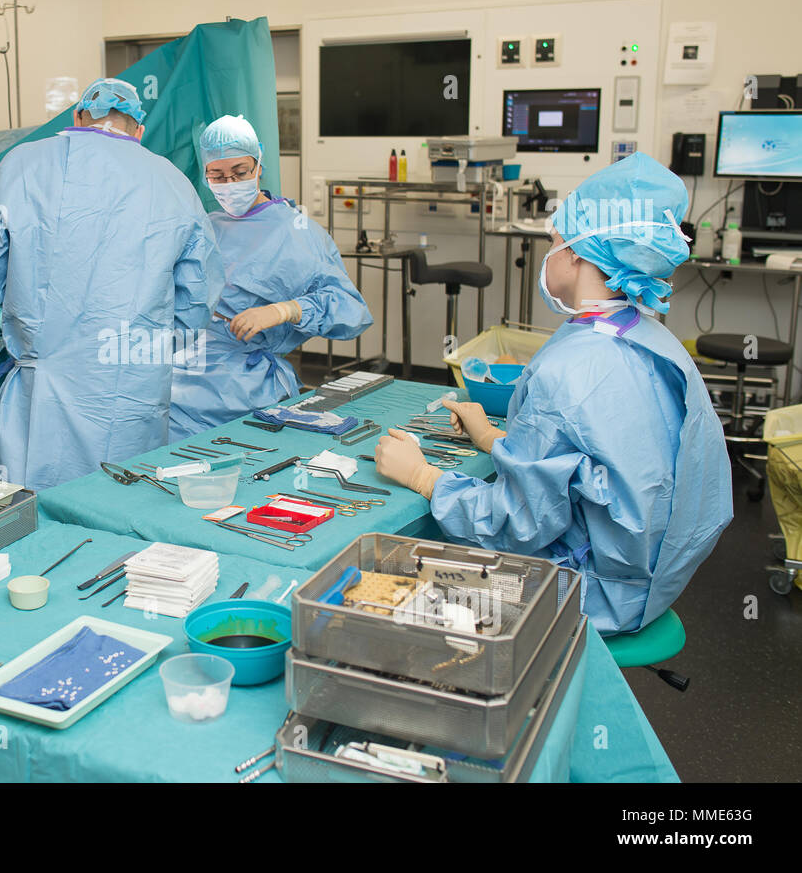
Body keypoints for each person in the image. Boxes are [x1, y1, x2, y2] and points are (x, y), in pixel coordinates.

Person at [373, 152, 732, 635]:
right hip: (656, 577)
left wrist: (422, 476)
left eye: (555, 241)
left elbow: (515, 526)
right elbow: (595, 463)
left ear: (582, 254)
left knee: (385, 583)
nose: (550, 252)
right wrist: (495, 439)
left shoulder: (569, 368)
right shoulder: (648, 336)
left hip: (589, 590)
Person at [0, 78, 224, 490]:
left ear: (78, 115)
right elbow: (195, 302)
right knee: (122, 513)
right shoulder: (172, 183)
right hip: (132, 394)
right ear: (139, 130)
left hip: (40, 398)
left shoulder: (22, 165)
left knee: (25, 520)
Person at [169, 115, 372, 439]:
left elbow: (352, 311)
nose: (230, 184)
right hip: (183, 376)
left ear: (259, 165)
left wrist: (283, 310)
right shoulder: (207, 224)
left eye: (240, 173)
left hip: (244, 388)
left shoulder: (297, 231)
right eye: (217, 176)